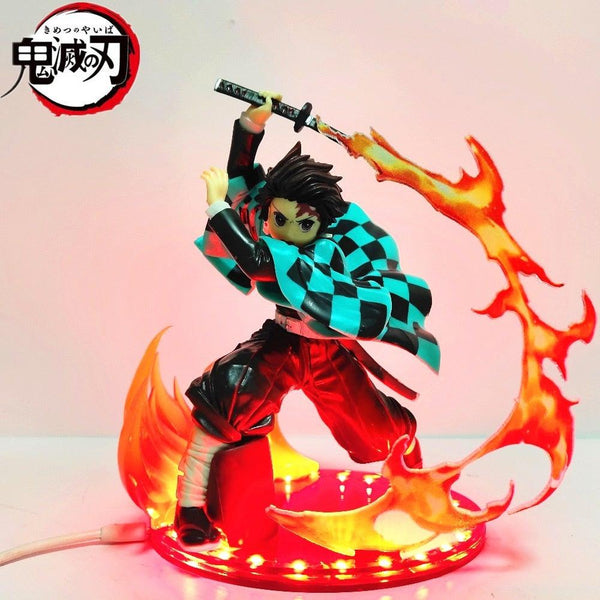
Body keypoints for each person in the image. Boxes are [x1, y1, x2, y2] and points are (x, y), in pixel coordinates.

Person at [175, 94, 440, 545]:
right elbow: (244, 184)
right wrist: (251, 125)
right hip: (282, 342)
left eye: (304, 223)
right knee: (230, 395)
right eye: (279, 218)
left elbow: (258, 260)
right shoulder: (269, 219)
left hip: (326, 350)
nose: (287, 229)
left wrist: (217, 209)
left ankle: (412, 482)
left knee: (375, 431)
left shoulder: (325, 250)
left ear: (321, 224)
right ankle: (190, 508)